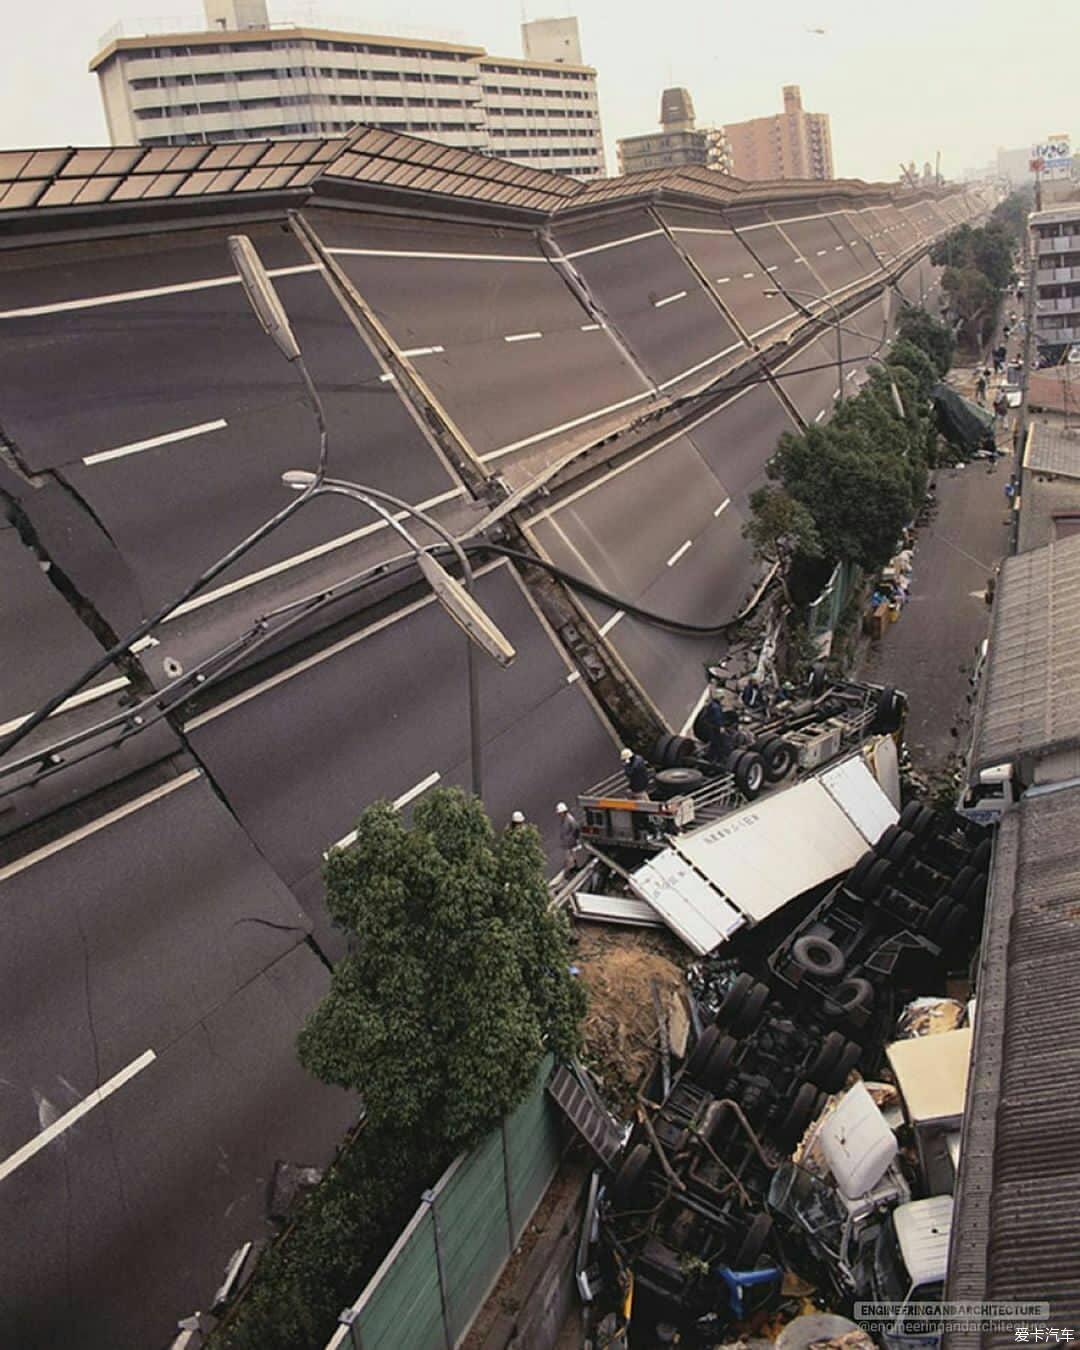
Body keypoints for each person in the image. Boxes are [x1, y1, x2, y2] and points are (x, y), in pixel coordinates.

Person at [555, 802, 581, 873]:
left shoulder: (570, 820)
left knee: (571, 855)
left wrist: (575, 839)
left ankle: (574, 868)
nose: (559, 815)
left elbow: (576, 828)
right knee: (570, 856)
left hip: (571, 842)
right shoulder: (564, 819)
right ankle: (573, 867)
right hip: (567, 842)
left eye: (560, 813)